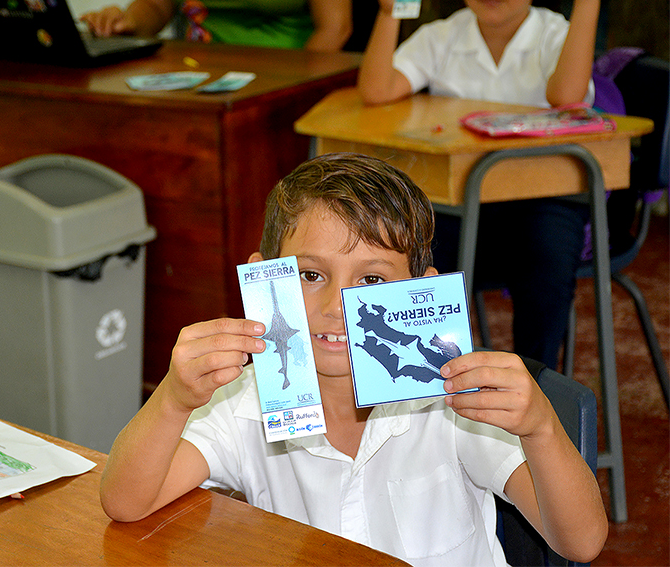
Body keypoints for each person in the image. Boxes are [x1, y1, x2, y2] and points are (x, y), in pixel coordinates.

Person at [100, 152, 607, 566]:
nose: (335, 308)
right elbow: (126, 502)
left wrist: (541, 427)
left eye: (371, 280)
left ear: (420, 294)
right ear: (263, 279)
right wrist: (171, 398)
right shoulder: (242, 401)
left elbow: (580, 543)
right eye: (310, 275)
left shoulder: (453, 402)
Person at [358, 0, 615, 370]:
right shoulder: (442, 34)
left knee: (546, 268)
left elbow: (566, 98)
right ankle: (429, 381)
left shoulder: (555, 31)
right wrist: (390, 11)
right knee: (405, 255)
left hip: (543, 199)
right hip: (459, 203)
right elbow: (376, 90)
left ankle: (536, 385)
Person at [80, 0, 352, 51]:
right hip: (196, 82)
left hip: (282, 87)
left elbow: (335, 28)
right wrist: (124, 21)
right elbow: (154, 4)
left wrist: (294, 92)